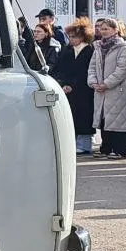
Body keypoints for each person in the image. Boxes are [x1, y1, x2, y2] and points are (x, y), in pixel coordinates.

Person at [89, 17, 126, 158]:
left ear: (115, 30)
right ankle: (106, 148)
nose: (103, 31)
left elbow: (122, 69)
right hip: (100, 89)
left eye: (106, 29)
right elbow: (92, 67)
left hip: (116, 89)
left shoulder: (122, 47)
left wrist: (106, 83)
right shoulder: (98, 47)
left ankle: (120, 150)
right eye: (102, 29)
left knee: (118, 120)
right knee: (104, 119)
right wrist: (93, 82)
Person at [52, 19, 95, 155]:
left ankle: (85, 145)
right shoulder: (67, 50)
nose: (71, 39)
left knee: (84, 116)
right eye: (69, 36)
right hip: (69, 89)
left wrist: (73, 85)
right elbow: (60, 69)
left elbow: (87, 71)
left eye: (74, 36)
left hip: (84, 89)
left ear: (82, 36)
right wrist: (64, 83)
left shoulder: (89, 50)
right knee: (72, 116)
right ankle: (75, 142)